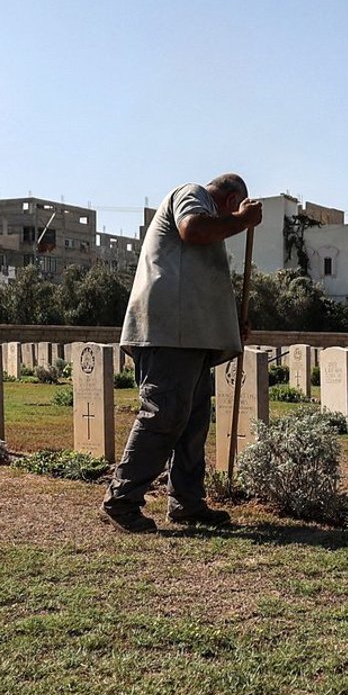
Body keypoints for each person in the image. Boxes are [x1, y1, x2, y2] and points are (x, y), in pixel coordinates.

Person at [102, 173, 261, 532]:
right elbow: (192, 229)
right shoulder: (192, 194)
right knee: (164, 415)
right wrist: (242, 220)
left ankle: (187, 503)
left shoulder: (211, 216)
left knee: (192, 423)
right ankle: (122, 499)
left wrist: (228, 324)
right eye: (234, 210)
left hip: (190, 335)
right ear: (230, 199)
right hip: (169, 331)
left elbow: (198, 283)